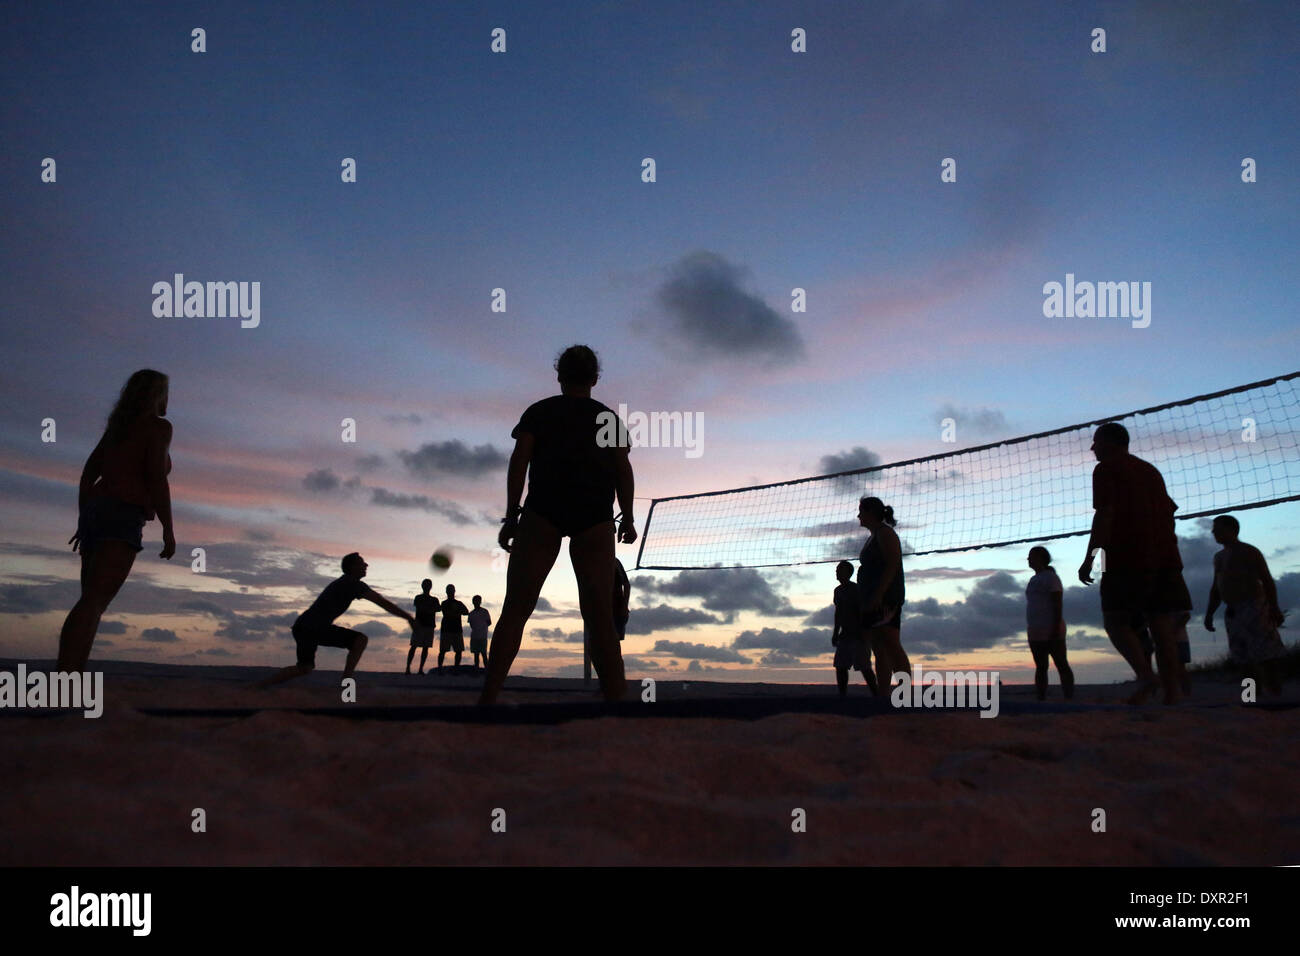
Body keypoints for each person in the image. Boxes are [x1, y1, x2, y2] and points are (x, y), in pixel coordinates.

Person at [479, 345, 635, 705]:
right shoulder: (606, 418)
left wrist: (510, 515)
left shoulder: (540, 412)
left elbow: (519, 462)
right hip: (593, 518)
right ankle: (617, 699)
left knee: (517, 607)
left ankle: (488, 697)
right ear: (594, 379)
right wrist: (626, 517)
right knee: (598, 613)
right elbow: (622, 470)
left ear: (559, 376)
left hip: (542, 514)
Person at [58, 370, 176, 672]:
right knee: (94, 602)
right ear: (158, 395)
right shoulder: (158, 428)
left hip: (96, 513)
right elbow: (155, 478)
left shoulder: (117, 429)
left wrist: (84, 517)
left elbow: (88, 474)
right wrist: (168, 528)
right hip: (122, 514)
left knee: (91, 601)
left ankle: (70, 678)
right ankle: (65, 679)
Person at [1077, 421, 1191, 705]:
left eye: (1096, 441)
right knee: (1161, 624)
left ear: (1112, 443)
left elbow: (1104, 516)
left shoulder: (1106, 469)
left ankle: (1145, 676)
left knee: (1115, 621)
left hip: (1126, 557)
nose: (1092, 447)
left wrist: (1090, 560)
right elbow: (1169, 512)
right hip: (1166, 556)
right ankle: (1173, 695)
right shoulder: (1150, 471)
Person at [257, 553, 414, 687]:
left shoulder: (346, 582)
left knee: (304, 668)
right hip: (310, 627)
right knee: (360, 640)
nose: (366, 565)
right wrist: (408, 618)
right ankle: (346, 687)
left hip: (305, 627)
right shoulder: (352, 584)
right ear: (352, 567)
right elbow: (383, 602)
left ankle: (257, 686)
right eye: (361, 563)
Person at [1204, 514, 1286, 695]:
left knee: (1266, 655)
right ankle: (1251, 696)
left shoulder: (1249, 552)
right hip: (1232, 610)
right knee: (1242, 657)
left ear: (1231, 530)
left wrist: (1274, 607)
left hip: (1254, 607)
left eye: (1218, 529)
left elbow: (1267, 580)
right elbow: (1215, 588)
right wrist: (1209, 613)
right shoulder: (1219, 557)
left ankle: (1275, 693)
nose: (1213, 532)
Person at [857, 496, 909, 691]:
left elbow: (892, 564)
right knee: (879, 647)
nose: (858, 515)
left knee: (891, 643)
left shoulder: (885, 534)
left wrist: (879, 594)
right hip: (872, 598)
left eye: (861, 511)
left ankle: (905, 692)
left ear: (870, 513)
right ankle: (884, 694)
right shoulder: (875, 535)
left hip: (886, 598)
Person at [1025, 546, 1074, 700]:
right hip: (1035, 629)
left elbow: (1057, 601)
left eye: (1031, 556)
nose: (1028, 559)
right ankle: (1041, 698)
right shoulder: (1033, 579)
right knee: (1041, 666)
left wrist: (1056, 625)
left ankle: (1069, 697)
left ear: (1040, 558)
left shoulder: (1050, 577)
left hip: (1051, 627)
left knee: (1061, 663)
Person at [832, 560, 877, 697]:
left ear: (848, 573)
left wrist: (864, 632)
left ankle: (877, 695)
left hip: (859, 634)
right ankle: (842, 696)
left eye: (840, 570)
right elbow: (838, 612)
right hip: (845, 634)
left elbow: (862, 612)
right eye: (837, 570)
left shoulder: (856, 590)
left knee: (864, 666)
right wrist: (836, 632)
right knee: (840, 666)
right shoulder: (838, 591)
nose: (837, 573)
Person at [407, 579, 439, 674]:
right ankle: (408, 668)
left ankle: (420, 669)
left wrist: (428, 609)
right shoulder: (419, 597)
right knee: (414, 646)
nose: (427, 587)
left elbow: (438, 608)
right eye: (426, 585)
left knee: (425, 647)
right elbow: (420, 607)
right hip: (420, 625)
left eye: (428, 585)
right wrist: (429, 609)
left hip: (429, 625)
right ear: (422, 586)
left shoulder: (434, 599)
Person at [437, 584, 470, 672]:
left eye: (451, 591)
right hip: (447, 630)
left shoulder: (458, 603)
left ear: (454, 592)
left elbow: (466, 612)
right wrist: (457, 612)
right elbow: (447, 613)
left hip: (456, 630)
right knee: (443, 650)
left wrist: (456, 612)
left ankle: (456, 668)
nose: (450, 592)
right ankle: (440, 668)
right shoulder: (444, 603)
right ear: (447, 592)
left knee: (458, 650)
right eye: (449, 591)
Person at [467, 595, 492, 669]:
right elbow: (471, 624)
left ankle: (487, 669)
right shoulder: (471, 613)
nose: (476, 602)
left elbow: (489, 622)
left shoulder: (484, 611)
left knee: (483, 654)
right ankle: (477, 668)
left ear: (480, 602)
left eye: (477, 601)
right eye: (475, 601)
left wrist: (482, 628)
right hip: (475, 636)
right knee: (476, 655)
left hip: (482, 636)